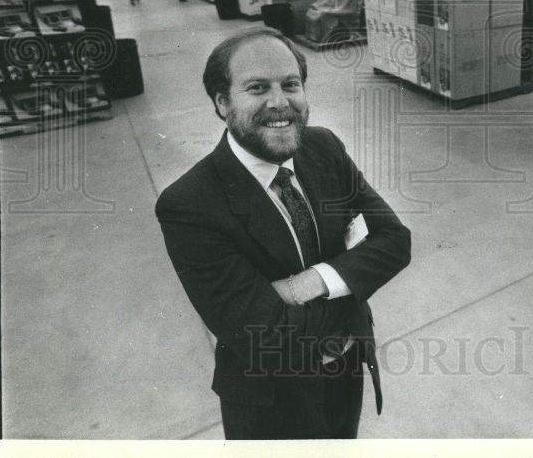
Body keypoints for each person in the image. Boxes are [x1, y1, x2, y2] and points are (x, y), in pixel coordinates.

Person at [155, 28, 411, 439]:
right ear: (222, 103)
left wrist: (303, 285)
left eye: (290, 84)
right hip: (272, 401)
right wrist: (349, 281)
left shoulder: (323, 147)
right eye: (257, 88)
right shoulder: (189, 204)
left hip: (347, 368)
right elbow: (266, 339)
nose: (279, 102)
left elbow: (396, 241)